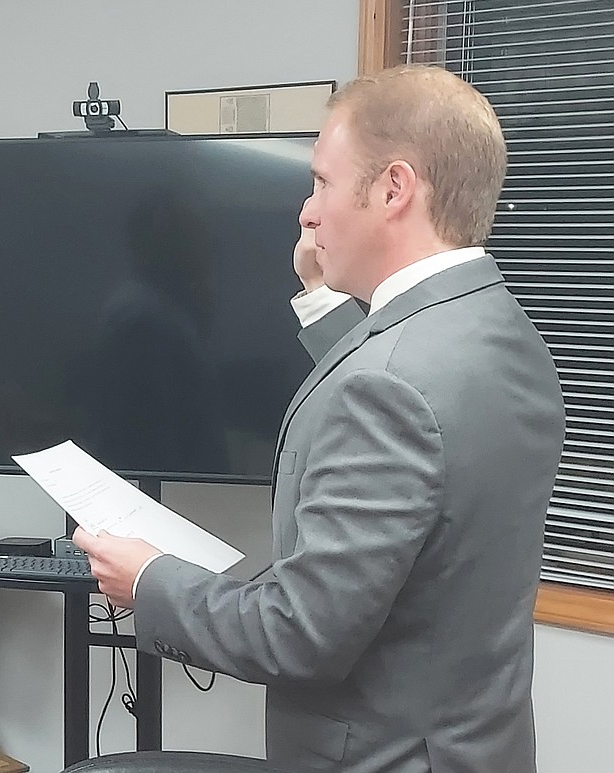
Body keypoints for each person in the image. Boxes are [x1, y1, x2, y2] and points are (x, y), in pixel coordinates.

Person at [73, 65, 565, 773]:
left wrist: (149, 581)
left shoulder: (390, 388)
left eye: (323, 183)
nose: (306, 212)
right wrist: (322, 296)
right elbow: (423, 427)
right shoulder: (501, 331)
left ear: (394, 189)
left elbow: (298, 633)